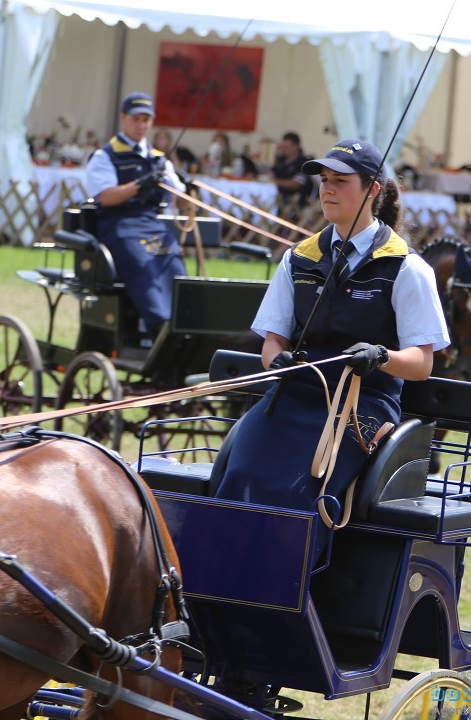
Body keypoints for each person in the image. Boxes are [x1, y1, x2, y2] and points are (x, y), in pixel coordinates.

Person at [214, 139, 450, 559]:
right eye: (324, 181)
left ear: (373, 190)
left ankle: (290, 596)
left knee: (299, 493)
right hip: (293, 395)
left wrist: (381, 357)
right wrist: (277, 361)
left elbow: (421, 364)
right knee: (237, 477)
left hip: (363, 407)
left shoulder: (407, 268)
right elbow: (273, 342)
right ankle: (223, 593)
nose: (327, 190)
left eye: (340, 182)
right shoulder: (297, 259)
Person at [85, 91, 186, 338]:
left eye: (146, 120)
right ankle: (159, 326)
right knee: (142, 262)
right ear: (123, 118)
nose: (141, 125)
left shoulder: (160, 160)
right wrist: (140, 184)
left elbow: (182, 200)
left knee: (174, 261)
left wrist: (184, 187)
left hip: (152, 224)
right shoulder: (104, 156)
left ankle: (182, 324)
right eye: (136, 119)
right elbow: (106, 197)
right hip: (118, 225)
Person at [270, 131, 314, 220]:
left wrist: (273, 181)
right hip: (278, 197)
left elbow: (295, 184)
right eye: (283, 147)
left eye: (287, 147)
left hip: (295, 201)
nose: (284, 150)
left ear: (296, 146)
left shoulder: (303, 163)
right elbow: (271, 173)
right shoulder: (281, 161)